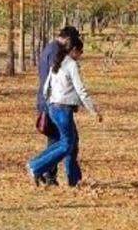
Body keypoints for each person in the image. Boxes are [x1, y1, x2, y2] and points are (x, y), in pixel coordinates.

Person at [27, 36, 102, 187]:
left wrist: (47, 104)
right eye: (80, 52)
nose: (80, 55)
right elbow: (81, 90)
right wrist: (93, 110)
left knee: (69, 143)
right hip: (62, 109)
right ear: (74, 50)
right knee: (67, 144)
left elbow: (47, 85)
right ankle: (36, 166)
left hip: (54, 106)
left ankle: (74, 180)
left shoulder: (58, 61)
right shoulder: (71, 64)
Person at [36, 26, 80, 185]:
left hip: (50, 101)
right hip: (55, 103)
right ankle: (43, 171)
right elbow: (57, 81)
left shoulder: (50, 48)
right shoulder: (56, 52)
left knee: (57, 141)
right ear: (68, 39)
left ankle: (48, 173)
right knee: (67, 143)